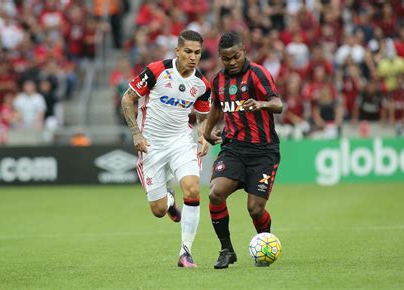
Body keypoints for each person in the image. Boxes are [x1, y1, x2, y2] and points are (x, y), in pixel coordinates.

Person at [121, 29, 210, 268]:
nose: (193, 57)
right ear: (178, 51)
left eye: (198, 53)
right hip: (152, 145)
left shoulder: (201, 84)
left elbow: (202, 116)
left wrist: (202, 137)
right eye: (188, 51)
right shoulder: (157, 71)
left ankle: (186, 252)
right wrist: (136, 133)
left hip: (181, 141)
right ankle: (169, 201)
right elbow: (127, 99)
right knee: (158, 210)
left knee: (192, 189)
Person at [203, 32, 283, 269]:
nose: (232, 62)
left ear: (244, 52)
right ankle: (226, 250)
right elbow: (216, 105)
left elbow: (278, 103)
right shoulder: (218, 81)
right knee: (215, 193)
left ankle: (265, 241)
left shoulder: (258, 73)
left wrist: (262, 104)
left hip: (263, 152)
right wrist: (208, 131)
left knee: (255, 209)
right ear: (220, 58)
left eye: (236, 56)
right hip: (234, 148)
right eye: (226, 59)